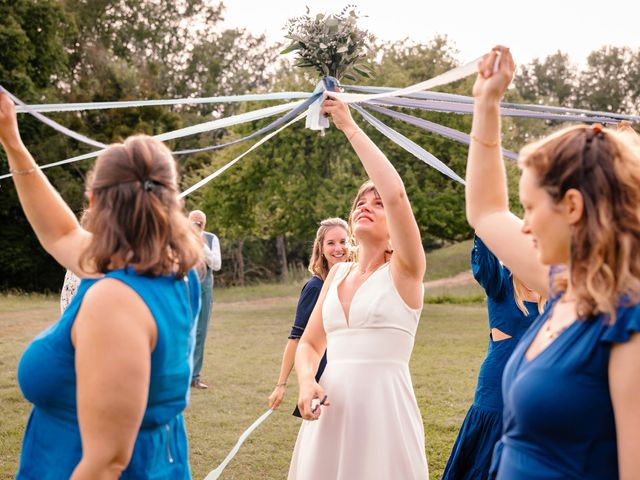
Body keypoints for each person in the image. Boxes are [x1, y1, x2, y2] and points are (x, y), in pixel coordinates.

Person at [0, 92, 203, 479]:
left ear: (93, 201)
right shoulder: (175, 274)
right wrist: (12, 141)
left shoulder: (115, 301)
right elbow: (59, 233)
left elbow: (106, 463)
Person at [466, 46, 640, 479]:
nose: (523, 226)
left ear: (573, 207)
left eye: (528, 208)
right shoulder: (567, 284)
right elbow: (486, 212)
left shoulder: (628, 321)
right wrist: (487, 104)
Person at [288, 97, 429, 479]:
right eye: (360, 202)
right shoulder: (335, 275)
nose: (366, 206)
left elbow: (398, 194)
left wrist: (349, 127)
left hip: (383, 412)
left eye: (377, 203)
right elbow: (310, 344)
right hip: (330, 410)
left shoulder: (405, 270)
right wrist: (306, 382)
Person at [442, 236, 545, 480]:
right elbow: (485, 253)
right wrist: (486, 222)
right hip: (498, 379)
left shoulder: (551, 293)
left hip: (537, 381)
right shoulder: (501, 282)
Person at [268, 217, 349, 415]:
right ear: (321, 248)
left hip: (351, 369)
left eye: (343, 241)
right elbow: (297, 338)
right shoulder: (315, 287)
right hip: (325, 372)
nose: (338, 248)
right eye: (331, 243)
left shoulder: (355, 280)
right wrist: (281, 385)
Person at [188, 209, 221, 389]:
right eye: (194, 222)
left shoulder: (211, 239)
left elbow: (216, 265)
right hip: (183, 288)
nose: (197, 225)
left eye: (200, 223)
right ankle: (181, 374)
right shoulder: (179, 237)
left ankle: (195, 376)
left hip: (204, 289)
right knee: (183, 329)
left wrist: (201, 244)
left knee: (201, 331)